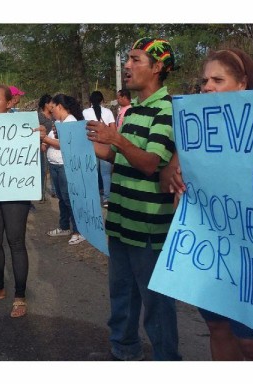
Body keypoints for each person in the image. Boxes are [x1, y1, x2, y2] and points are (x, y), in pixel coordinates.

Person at [159, 49, 253, 361]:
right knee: (218, 328)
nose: (207, 86)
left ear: (242, 84)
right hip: (211, 249)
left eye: (218, 79)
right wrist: (175, 178)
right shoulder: (193, 129)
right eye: (204, 80)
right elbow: (169, 174)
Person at [86, 37, 181, 361]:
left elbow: (150, 162)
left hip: (149, 228)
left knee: (156, 303)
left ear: (157, 67)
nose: (127, 66)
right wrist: (70, 143)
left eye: (135, 59)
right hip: (122, 223)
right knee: (122, 296)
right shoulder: (135, 110)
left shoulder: (166, 110)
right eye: (127, 59)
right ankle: (123, 350)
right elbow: (116, 155)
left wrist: (115, 138)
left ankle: (167, 360)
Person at [0, 85, 42, 318]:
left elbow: (38, 148)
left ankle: (20, 296)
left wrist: (40, 135)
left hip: (15, 191)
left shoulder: (24, 125)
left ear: (10, 103)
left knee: (15, 241)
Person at [44, 93, 86, 246]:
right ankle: (64, 227)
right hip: (55, 165)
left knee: (70, 199)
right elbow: (51, 141)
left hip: (65, 166)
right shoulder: (58, 122)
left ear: (60, 106)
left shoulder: (71, 122)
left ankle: (79, 230)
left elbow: (63, 144)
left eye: (53, 107)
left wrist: (44, 138)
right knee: (62, 198)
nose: (51, 110)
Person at [83, 91, 116, 208]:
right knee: (106, 174)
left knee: (93, 173)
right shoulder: (108, 112)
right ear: (102, 100)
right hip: (106, 145)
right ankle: (106, 199)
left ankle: (94, 198)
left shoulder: (85, 112)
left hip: (91, 145)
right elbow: (113, 130)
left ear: (90, 101)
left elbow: (82, 129)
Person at [37, 94, 54, 203]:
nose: (53, 105)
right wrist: (42, 143)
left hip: (54, 146)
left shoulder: (55, 116)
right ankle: (41, 195)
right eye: (51, 103)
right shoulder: (39, 117)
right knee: (43, 171)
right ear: (46, 104)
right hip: (43, 146)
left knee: (53, 170)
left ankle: (55, 191)